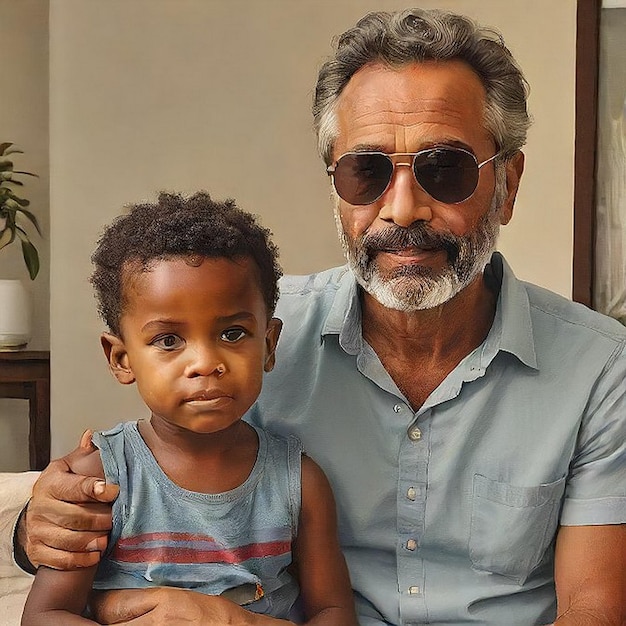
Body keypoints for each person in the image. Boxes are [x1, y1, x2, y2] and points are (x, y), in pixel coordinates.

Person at [12, 7, 626, 626]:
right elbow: (146, 493)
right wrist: (42, 525)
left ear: (507, 184)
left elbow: (593, 611)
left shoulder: (598, 368)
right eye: (368, 171)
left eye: (446, 170)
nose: (403, 209)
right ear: (336, 184)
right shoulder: (246, 334)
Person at [20, 192, 357, 626]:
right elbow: (46, 615)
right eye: (168, 341)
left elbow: (334, 612)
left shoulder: (300, 482)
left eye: (233, 334)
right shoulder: (103, 478)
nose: (205, 363)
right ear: (121, 359)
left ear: (269, 345)